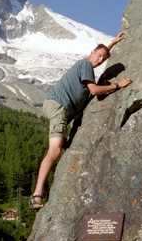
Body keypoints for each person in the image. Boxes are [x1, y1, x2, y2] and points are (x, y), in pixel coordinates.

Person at [28, 32, 132, 209]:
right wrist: (117, 85)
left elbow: (102, 51)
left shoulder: (87, 64)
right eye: (98, 56)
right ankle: (36, 196)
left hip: (58, 106)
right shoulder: (85, 64)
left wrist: (113, 42)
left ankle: (37, 194)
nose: (100, 60)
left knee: (58, 147)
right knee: (54, 150)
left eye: (103, 59)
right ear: (91, 52)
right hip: (59, 107)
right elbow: (94, 90)